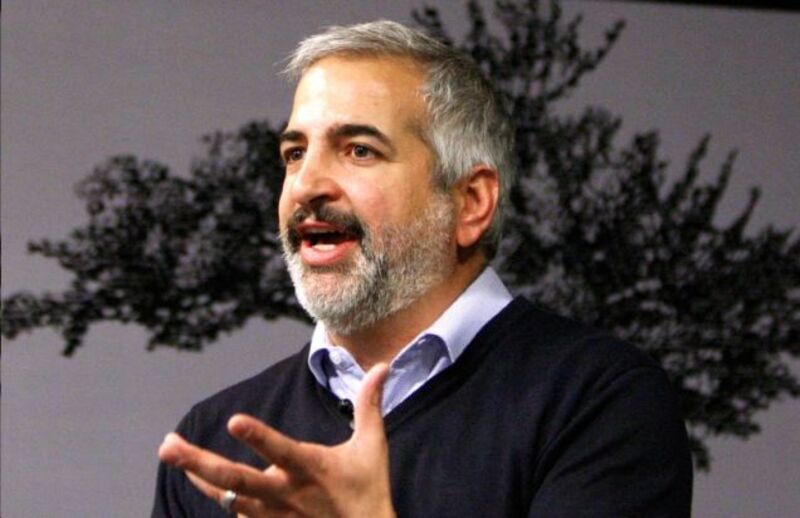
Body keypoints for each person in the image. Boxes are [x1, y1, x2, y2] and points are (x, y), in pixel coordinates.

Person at [153, 20, 692, 517]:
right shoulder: (215, 443)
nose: (307, 185)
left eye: (359, 150)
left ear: (470, 202)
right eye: (294, 154)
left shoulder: (601, 401)